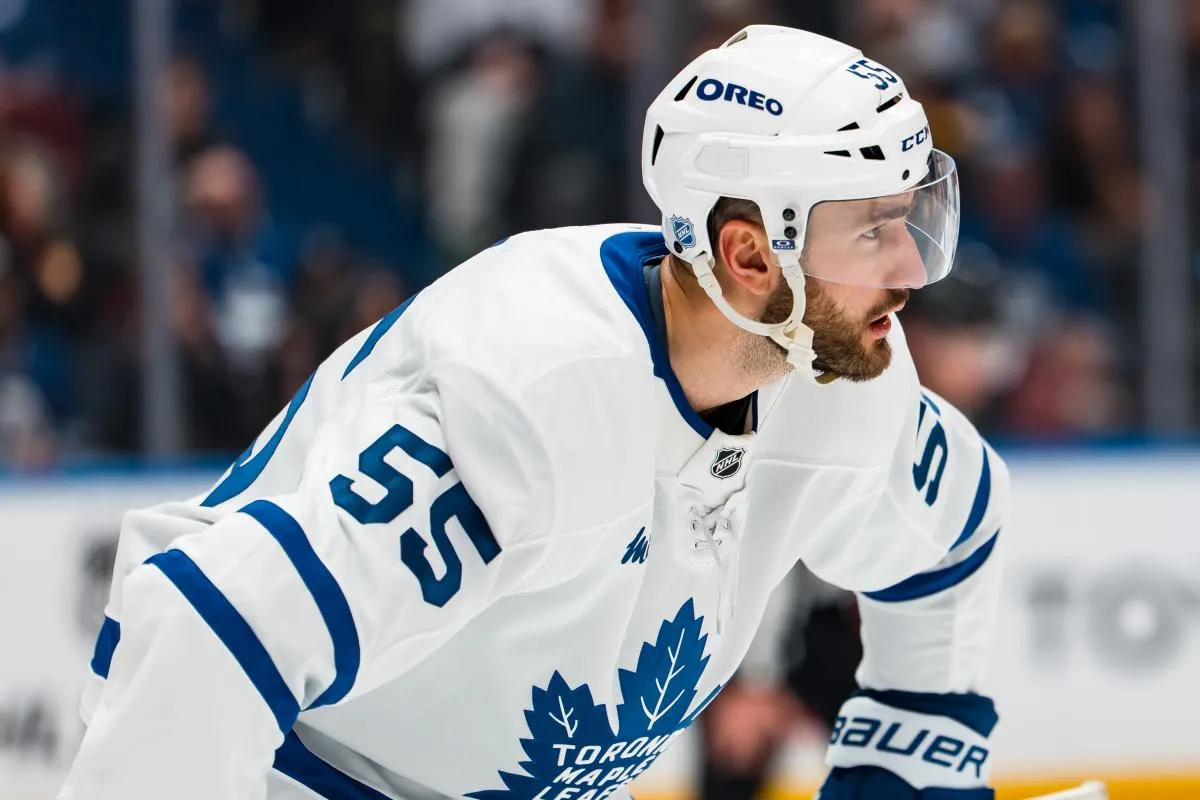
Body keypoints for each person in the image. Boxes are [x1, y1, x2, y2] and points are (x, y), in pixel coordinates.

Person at [58, 25, 1005, 800]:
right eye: (872, 232)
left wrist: (911, 766)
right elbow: (207, 622)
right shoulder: (532, 391)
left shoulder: (849, 382)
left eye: (912, 218)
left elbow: (953, 538)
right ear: (752, 255)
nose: (912, 271)